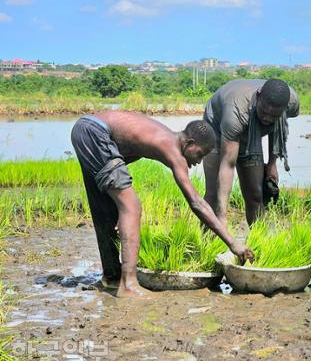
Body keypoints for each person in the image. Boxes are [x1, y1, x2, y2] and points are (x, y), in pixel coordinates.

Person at [70, 111, 254, 298]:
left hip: (86, 130)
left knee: (106, 209)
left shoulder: (166, 136)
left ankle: (112, 277)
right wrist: (232, 242)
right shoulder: (173, 151)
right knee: (132, 207)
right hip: (95, 133)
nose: (198, 161)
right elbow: (197, 203)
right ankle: (128, 284)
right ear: (189, 143)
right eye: (200, 154)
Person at [202, 78, 299, 228]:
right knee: (213, 195)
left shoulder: (292, 103)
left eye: (274, 116)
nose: (267, 119)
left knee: (255, 195)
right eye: (264, 112)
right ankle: (207, 244)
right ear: (258, 96)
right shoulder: (235, 112)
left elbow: (278, 127)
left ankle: (258, 244)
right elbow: (228, 164)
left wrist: (272, 164)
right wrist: (222, 215)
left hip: (251, 133)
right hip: (216, 129)